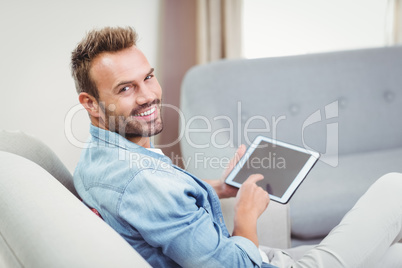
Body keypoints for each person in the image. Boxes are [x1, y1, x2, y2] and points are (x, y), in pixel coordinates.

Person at [71, 26, 402, 268]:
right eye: (126, 88)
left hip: (250, 255)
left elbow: (165, 207)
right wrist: (246, 216)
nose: (148, 95)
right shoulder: (141, 182)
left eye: (148, 77)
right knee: (394, 187)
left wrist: (221, 189)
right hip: (253, 262)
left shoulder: (98, 159)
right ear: (91, 103)